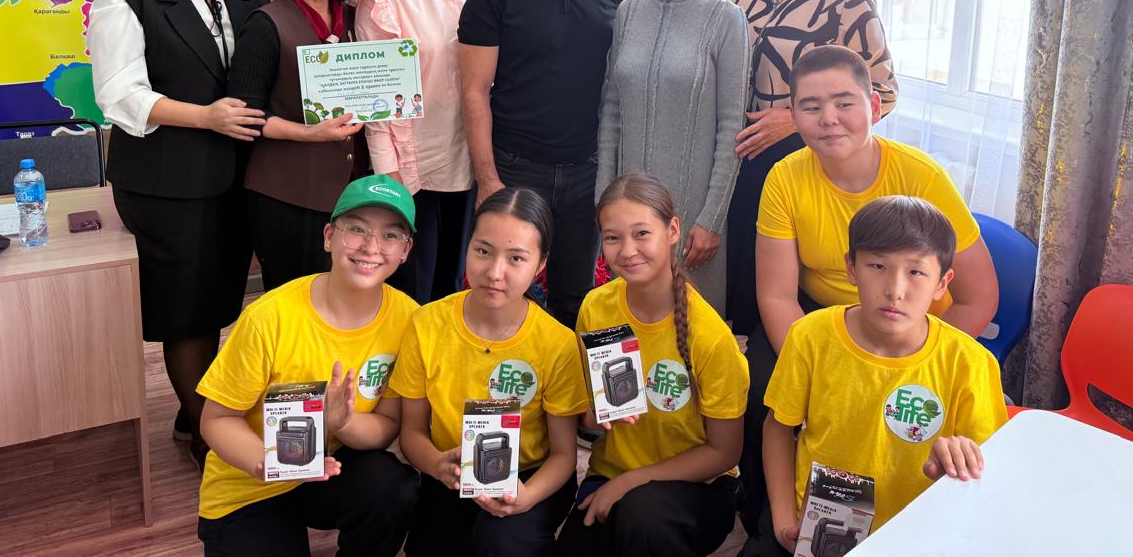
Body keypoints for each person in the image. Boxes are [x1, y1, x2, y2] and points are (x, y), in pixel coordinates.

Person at [739, 44, 998, 531]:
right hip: (820, 320)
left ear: (874, 106)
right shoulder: (785, 177)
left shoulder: (922, 176)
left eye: (844, 103)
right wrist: (820, 367)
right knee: (764, 390)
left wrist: (916, 357)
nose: (828, 119)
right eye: (811, 106)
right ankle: (770, 516)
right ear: (793, 115)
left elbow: (979, 296)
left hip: (914, 325)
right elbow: (776, 295)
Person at [88, 0, 269, 466]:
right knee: (188, 312)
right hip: (167, 181)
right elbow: (121, 96)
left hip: (238, 177)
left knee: (221, 302)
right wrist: (206, 117)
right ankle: (205, 435)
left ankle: (199, 411)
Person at [740, 196, 1007, 555]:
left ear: (942, 283)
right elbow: (778, 427)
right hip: (815, 526)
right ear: (851, 267)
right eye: (877, 266)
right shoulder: (810, 336)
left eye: (916, 272)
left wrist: (952, 467)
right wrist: (783, 517)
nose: (894, 290)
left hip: (912, 539)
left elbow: (985, 476)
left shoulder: (970, 363)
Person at [195, 174, 421, 556]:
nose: (371, 247)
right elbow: (216, 420)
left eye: (390, 235)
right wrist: (267, 464)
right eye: (357, 229)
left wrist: (342, 422)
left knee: (392, 488)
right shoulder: (270, 317)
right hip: (250, 484)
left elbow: (386, 426)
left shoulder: (408, 320)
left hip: (329, 469)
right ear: (329, 236)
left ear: (405, 250)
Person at [727, 0, 899, 338]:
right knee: (741, 275)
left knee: (791, 281)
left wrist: (794, 120)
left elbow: (882, 92)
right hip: (742, 153)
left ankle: (799, 364)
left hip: (807, 156)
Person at [459, 0, 629, 327]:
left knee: (575, 298)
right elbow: (474, 91)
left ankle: (566, 376)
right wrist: (488, 180)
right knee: (505, 293)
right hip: (517, 168)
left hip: (588, 170)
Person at [557, 173, 749, 557]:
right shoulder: (596, 308)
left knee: (643, 520)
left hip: (697, 488)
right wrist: (598, 418)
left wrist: (629, 483)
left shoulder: (710, 337)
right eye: (612, 237)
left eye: (642, 233)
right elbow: (589, 418)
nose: (628, 250)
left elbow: (724, 453)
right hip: (610, 472)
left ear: (673, 230)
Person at [392, 187, 588, 556]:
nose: (495, 272)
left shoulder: (557, 343)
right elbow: (412, 432)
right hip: (451, 471)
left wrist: (526, 496)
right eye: (483, 251)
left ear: (541, 264)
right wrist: (436, 463)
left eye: (516, 258)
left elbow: (564, 455)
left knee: (502, 542)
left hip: (530, 475)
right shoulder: (427, 324)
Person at [595, 0, 749, 311]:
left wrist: (711, 219)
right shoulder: (628, 12)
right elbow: (611, 112)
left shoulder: (726, 18)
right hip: (626, 216)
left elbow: (731, 129)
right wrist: (603, 203)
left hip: (693, 217)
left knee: (689, 332)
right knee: (626, 325)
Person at [350, 0, 483, 303]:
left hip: (475, 159)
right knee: (411, 291)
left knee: (457, 288)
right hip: (412, 168)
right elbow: (377, 99)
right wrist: (388, 174)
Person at [228, 0, 368, 289]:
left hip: (352, 192)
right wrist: (309, 133)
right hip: (287, 196)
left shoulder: (359, 18)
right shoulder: (267, 23)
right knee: (297, 302)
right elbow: (245, 114)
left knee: (346, 299)